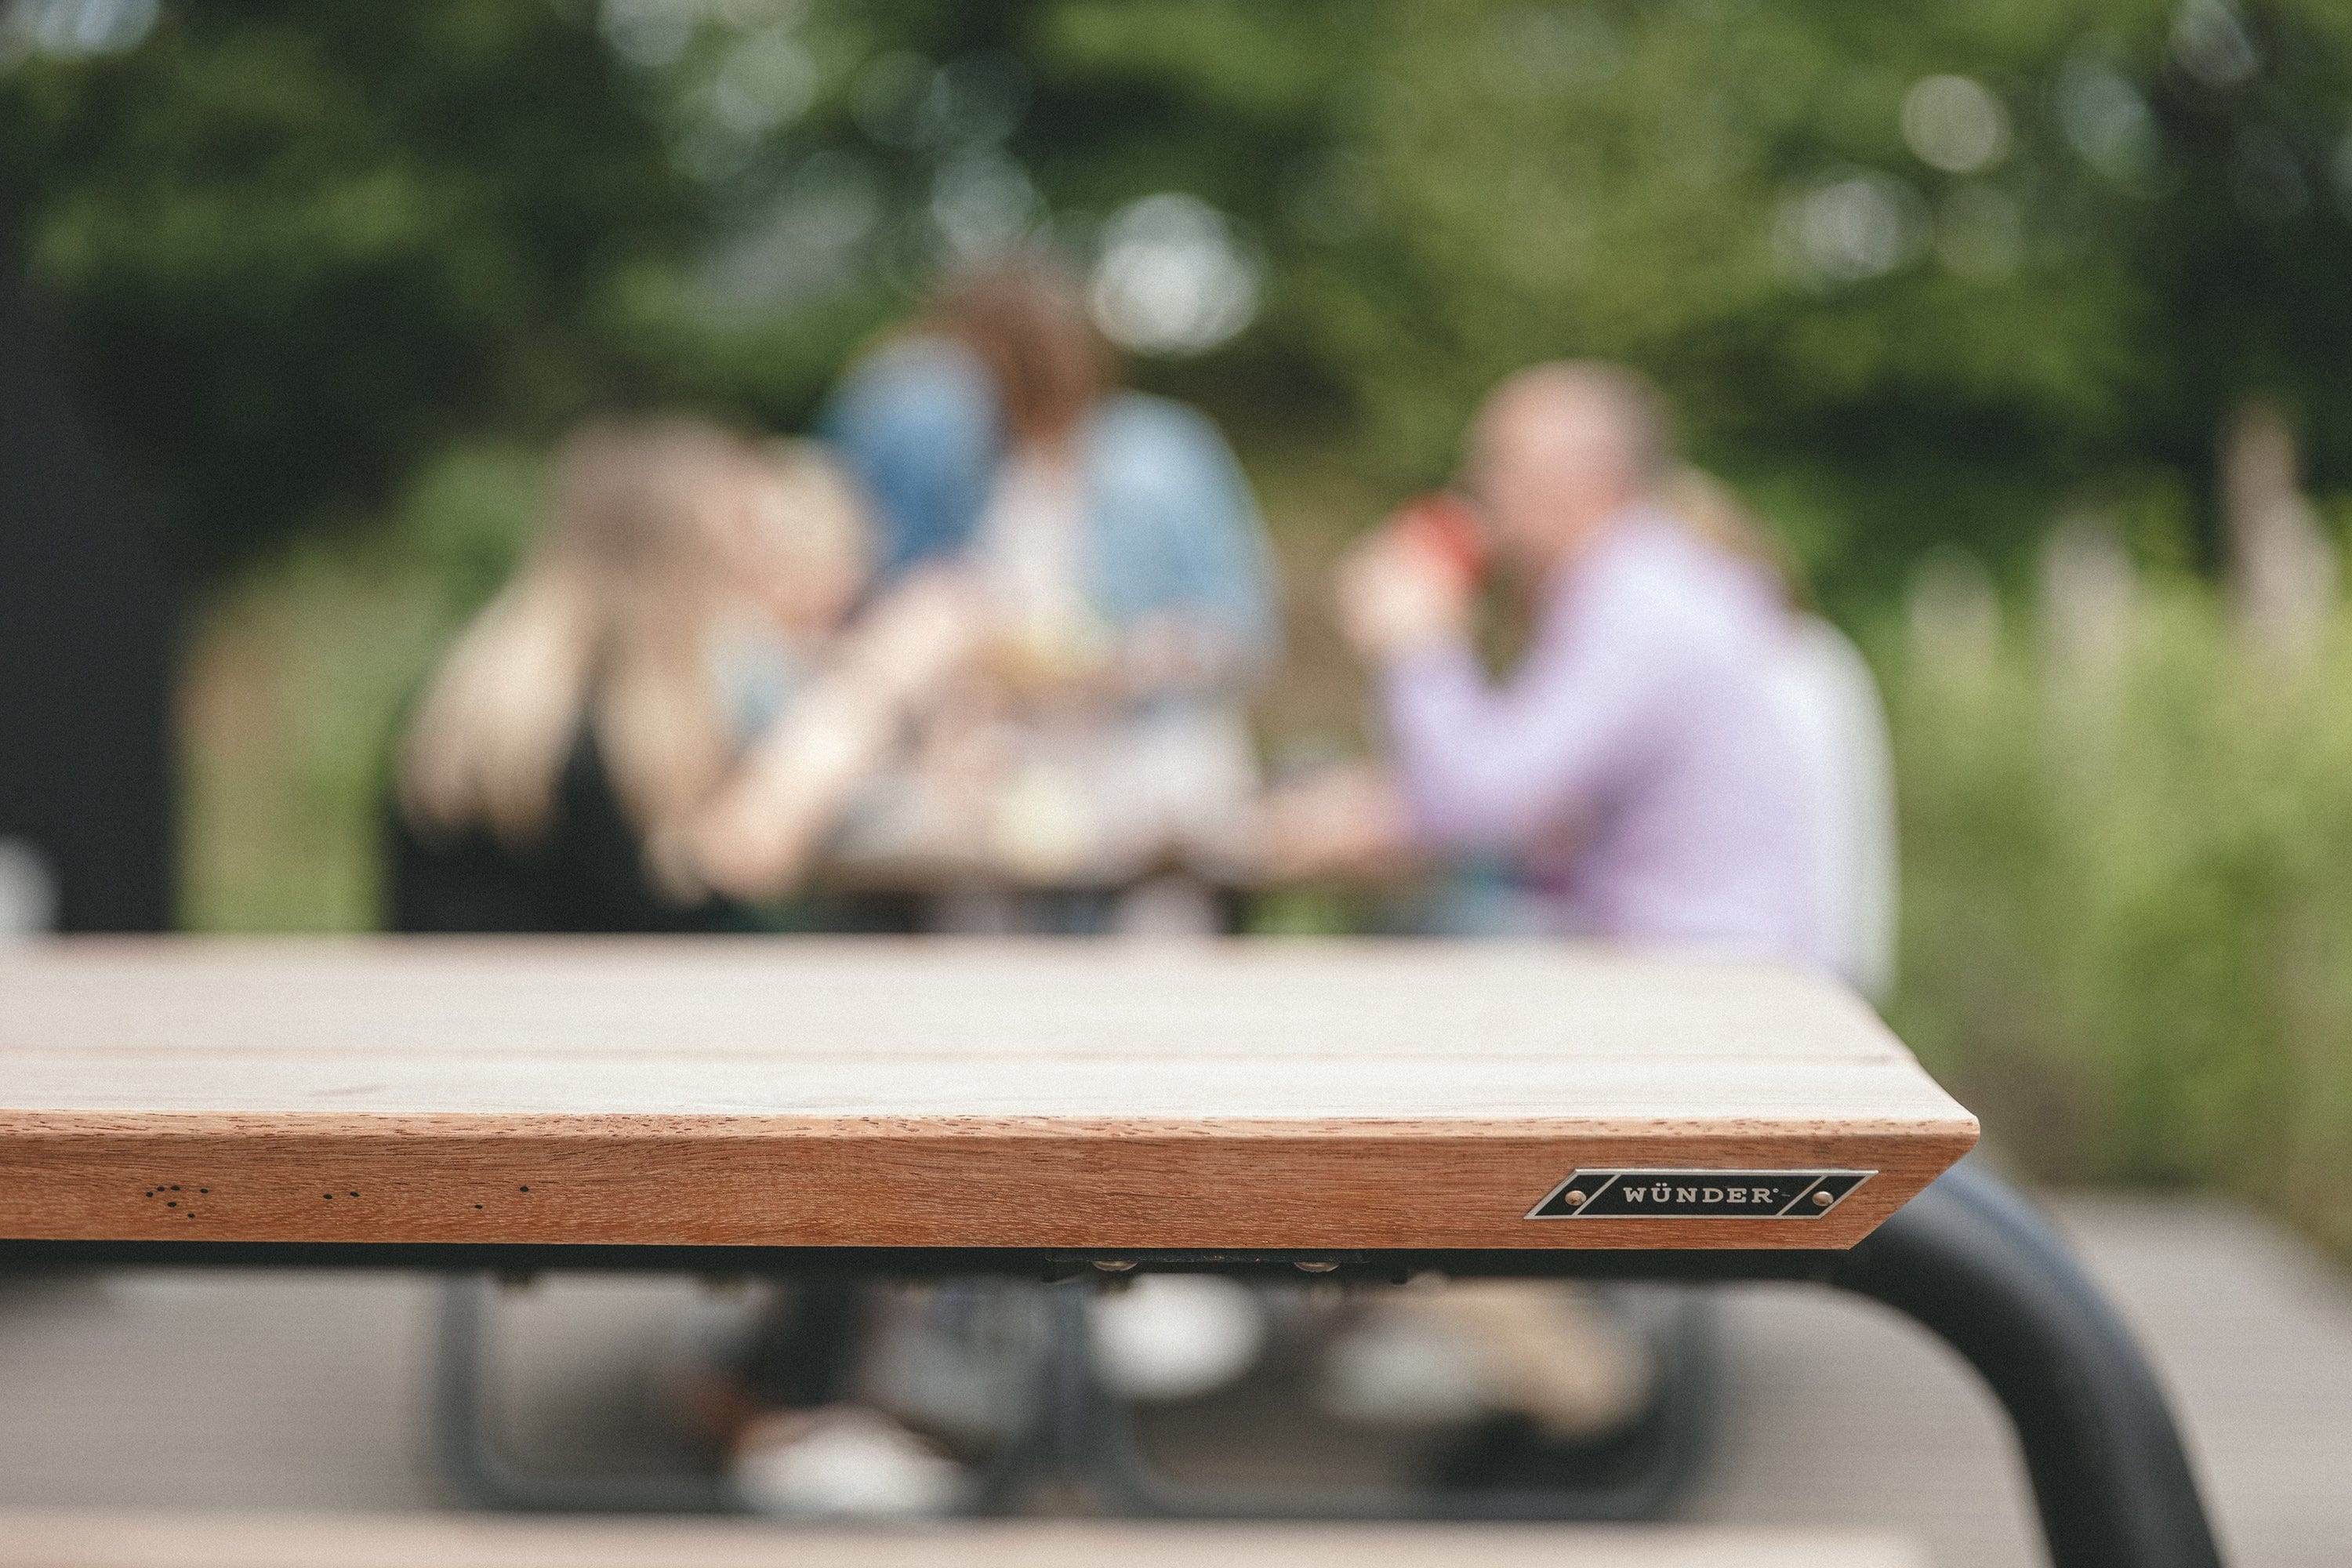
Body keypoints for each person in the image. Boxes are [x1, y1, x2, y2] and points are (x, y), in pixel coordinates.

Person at [815, 260, 1282, 924]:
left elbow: (1242, 634)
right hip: (1004, 760)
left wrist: (1119, 661)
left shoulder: (1164, 457)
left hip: (1143, 756)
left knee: (1156, 916)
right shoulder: (957, 464)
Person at [1332, 361, 1826, 964]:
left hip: (1689, 969)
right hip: (1689, 950)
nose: (1471, 490)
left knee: (1391, 936)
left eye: (1497, 465)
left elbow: (1473, 805)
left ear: (1588, 480)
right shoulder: (1645, 583)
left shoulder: (1639, 607)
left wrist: (1418, 648)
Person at [387, 420, 878, 933]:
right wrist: (871, 690)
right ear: (681, 561)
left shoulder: (494, 699)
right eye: (742, 543)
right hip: (567, 1003)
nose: (757, 569)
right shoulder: (595, 736)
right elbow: (711, 903)